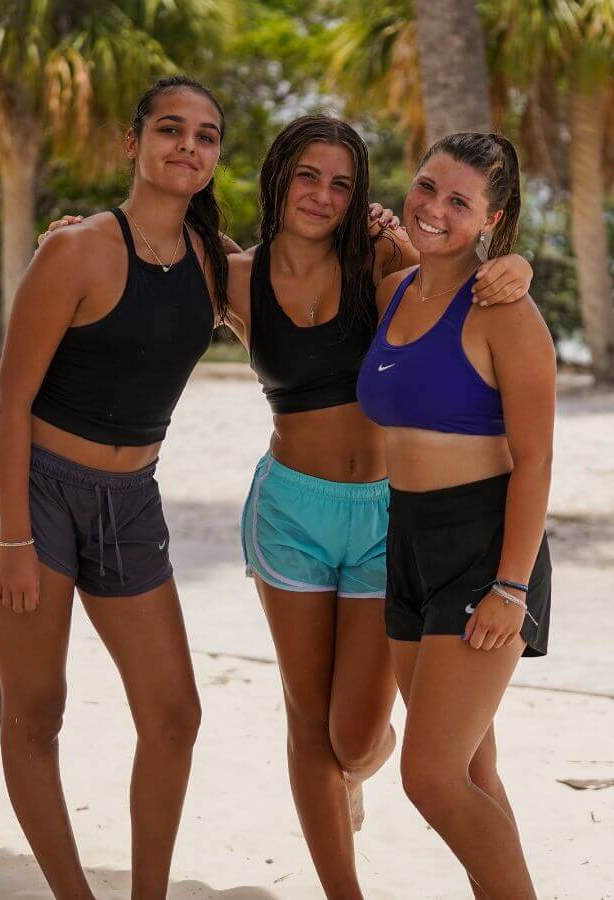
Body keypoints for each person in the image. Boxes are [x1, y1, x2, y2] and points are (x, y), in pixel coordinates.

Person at [42, 114, 534, 900]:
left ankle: (365, 768)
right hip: (289, 514)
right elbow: (141, 277)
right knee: (309, 725)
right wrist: (76, 239)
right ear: (277, 178)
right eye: (307, 174)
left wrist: (521, 269)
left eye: (342, 182)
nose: (322, 194)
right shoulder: (230, 277)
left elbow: (459, 273)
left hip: (384, 515)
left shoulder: (382, 254)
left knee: (357, 735)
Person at [0, 76, 232, 900]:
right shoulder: (74, 249)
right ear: (133, 143)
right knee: (37, 710)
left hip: (131, 500)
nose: (188, 145)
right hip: (32, 489)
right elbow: (11, 400)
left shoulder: (218, 269)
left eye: (207, 136)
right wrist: (13, 535)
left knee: (175, 714)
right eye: (170, 129)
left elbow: (330, 291)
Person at [357, 132, 554, 900]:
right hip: (405, 537)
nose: (436, 208)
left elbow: (536, 460)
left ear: (492, 220)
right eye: (429, 187)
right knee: (470, 771)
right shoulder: (394, 290)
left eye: (460, 201)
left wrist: (512, 588)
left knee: (430, 779)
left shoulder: (507, 310)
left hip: (485, 549)